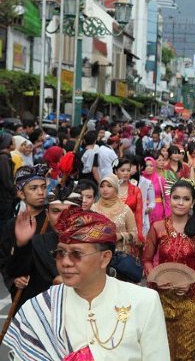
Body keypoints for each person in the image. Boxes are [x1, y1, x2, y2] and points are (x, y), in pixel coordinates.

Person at [5, 208, 170, 360]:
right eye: (60, 253)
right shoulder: (40, 308)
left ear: (105, 258)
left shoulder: (143, 301)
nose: (65, 262)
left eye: (76, 254)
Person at [143, 179, 195, 361]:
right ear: (168, 200)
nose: (180, 203)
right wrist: (155, 279)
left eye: (186, 199)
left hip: (191, 298)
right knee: (161, 352)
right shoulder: (157, 227)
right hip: (161, 298)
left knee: (186, 352)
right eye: (176, 198)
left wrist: (190, 281)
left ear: (193, 203)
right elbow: (147, 260)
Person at [0, 167, 79, 311]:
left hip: (57, 291)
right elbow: (5, 260)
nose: (40, 192)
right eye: (33, 188)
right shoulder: (12, 225)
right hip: (28, 294)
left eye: (43, 187)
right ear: (21, 193)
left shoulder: (56, 220)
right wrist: (13, 279)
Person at [91, 174, 138, 258]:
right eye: (102, 186)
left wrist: (120, 236)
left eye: (109, 186)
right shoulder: (93, 208)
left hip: (120, 258)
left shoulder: (125, 210)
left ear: (116, 189)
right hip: (98, 256)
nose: (105, 189)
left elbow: (135, 235)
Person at [113, 158, 144, 242]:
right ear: (116, 171)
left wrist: (139, 234)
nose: (126, 173)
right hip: (112, 230)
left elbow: (139, 214)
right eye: (122, 170)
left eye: (128, 170)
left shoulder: (136, 190)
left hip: (130, 230)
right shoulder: (110, 189)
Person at [142, 157, 170, 225]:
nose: (148, 168)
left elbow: (167, 197)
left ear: (154, 166)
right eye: (146, 166)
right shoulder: (140, 180)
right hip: (143, 210)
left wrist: (168, 212)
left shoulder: (161, 180)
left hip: (158, 210)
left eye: (151, 166)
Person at [0, 132, 16, 220]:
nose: (15, 143)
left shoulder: (6, 157)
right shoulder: (4, 158)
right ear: (8, 144)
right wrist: (15, 192)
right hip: (4, 197)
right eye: (13, 141)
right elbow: (6, 180)